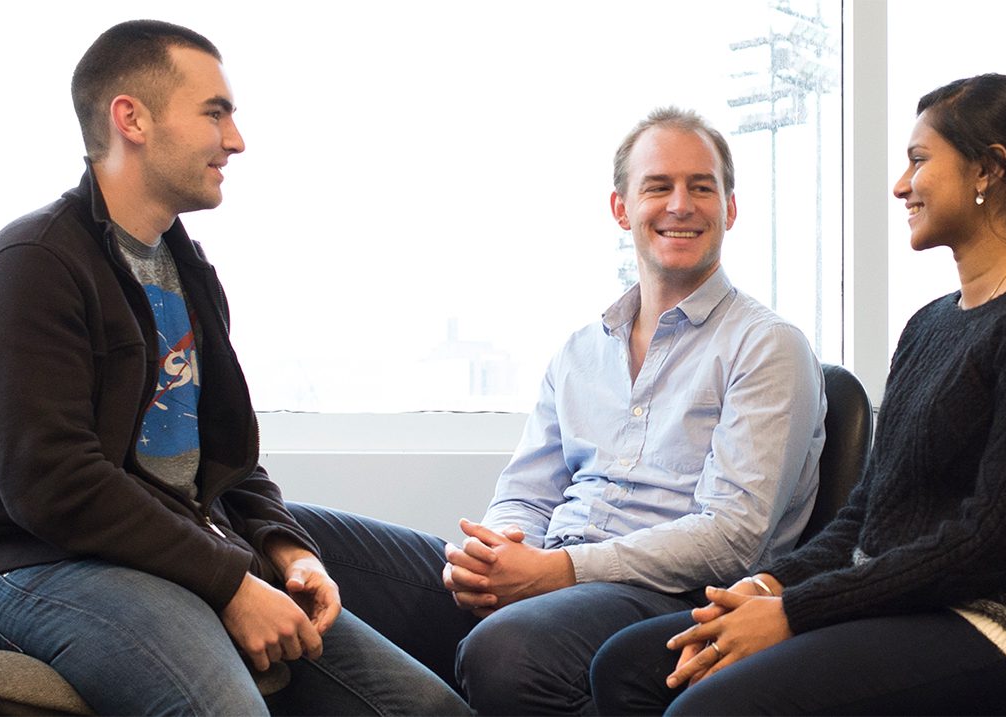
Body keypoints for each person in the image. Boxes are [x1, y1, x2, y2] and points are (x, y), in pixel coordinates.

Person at [0, 19, 468, 716]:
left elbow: (229, 461)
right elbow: (53, 483)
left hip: (180, 553)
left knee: (431, 708)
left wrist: (287, 550)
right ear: (133, 118)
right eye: (215, 113)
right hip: (44, 565)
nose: (236, 140)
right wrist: (229, 583)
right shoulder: (32, 265)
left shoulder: (188, 272)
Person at [589, 73, 1006, 716]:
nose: (900, 185)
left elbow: (995, 541)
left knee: (710, 707)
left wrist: (795, 612)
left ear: (988, 170)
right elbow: (863, 519)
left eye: (918, 161)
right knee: (629, 666)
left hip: (1005, 629)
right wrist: (768, 584)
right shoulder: (930, 325)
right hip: (905, 605)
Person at [286, 106, 826, 715]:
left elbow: (733, 537)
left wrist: (557, 571)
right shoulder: (580, 351)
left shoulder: (768, 345)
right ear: (621, 208)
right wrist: (497, 559)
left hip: (665, 597)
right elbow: (528, 492)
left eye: (702, 187)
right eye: (658, 186)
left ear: (729, 209)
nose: (681, 204)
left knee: (508, 648)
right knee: (289, 538)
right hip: (551, 574)